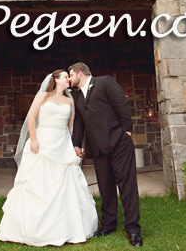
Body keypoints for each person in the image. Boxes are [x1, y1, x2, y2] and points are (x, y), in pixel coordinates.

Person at [0, 69, 98, 247]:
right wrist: (34, 140)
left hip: (62, 143)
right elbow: (31, 119)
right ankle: (31, 227)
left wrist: (75, 145)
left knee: (65, 182)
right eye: (66, 77)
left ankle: (67, 227)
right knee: (39, 182)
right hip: (43, 142)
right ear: (56, 80)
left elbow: (71, 127)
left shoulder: (69, 100)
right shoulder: (43, 96)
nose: (69, 79)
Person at [69, 62, 143, 247]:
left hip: (119, 142)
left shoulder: (105, 82)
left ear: (80, 73)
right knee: (105, 187)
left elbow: (121, 104)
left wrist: (127, 131)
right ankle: (108, 224)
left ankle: (133, 229)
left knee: (127, 186)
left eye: (70, 75)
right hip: (98, 149)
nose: (69, 79)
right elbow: (79, 121)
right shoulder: (77, 97)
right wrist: (77, 143)